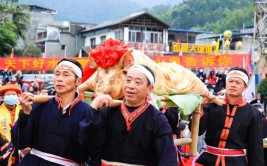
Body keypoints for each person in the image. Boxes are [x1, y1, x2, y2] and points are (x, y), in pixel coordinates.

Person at [11, 58, 105, 165]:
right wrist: (25, 113)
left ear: (78, 81)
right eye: (57, 74)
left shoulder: (87, 112)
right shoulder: (39, 106)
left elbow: (95, 152)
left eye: (66, 75)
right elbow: (19, 142)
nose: (59, 79)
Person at [79, 64, 178, 166]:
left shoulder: (158, 120)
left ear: (150, 89)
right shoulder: (107, 112)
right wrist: (93, 109)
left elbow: (168, 159)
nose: (131, 86)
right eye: (128, 80)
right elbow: (88, 143)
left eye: (138, 82)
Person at [195, 67, 264, 165]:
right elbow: (197, 131)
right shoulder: (211, 106)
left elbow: (256, 149)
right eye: (230, 81)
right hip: (209, 160)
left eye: (238, 82)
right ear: (226, 83)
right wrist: (200, 108)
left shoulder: (253, 113)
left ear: (245, 87)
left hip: (236, 162)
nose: (233, 85)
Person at [0, 84, 30, 165]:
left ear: (18, 96)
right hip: (3, 149)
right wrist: (6, 145)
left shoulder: (24, 110)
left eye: (13, 94)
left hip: (23, 148)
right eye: (8, 94)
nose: (11, 96)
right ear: (3, 97)